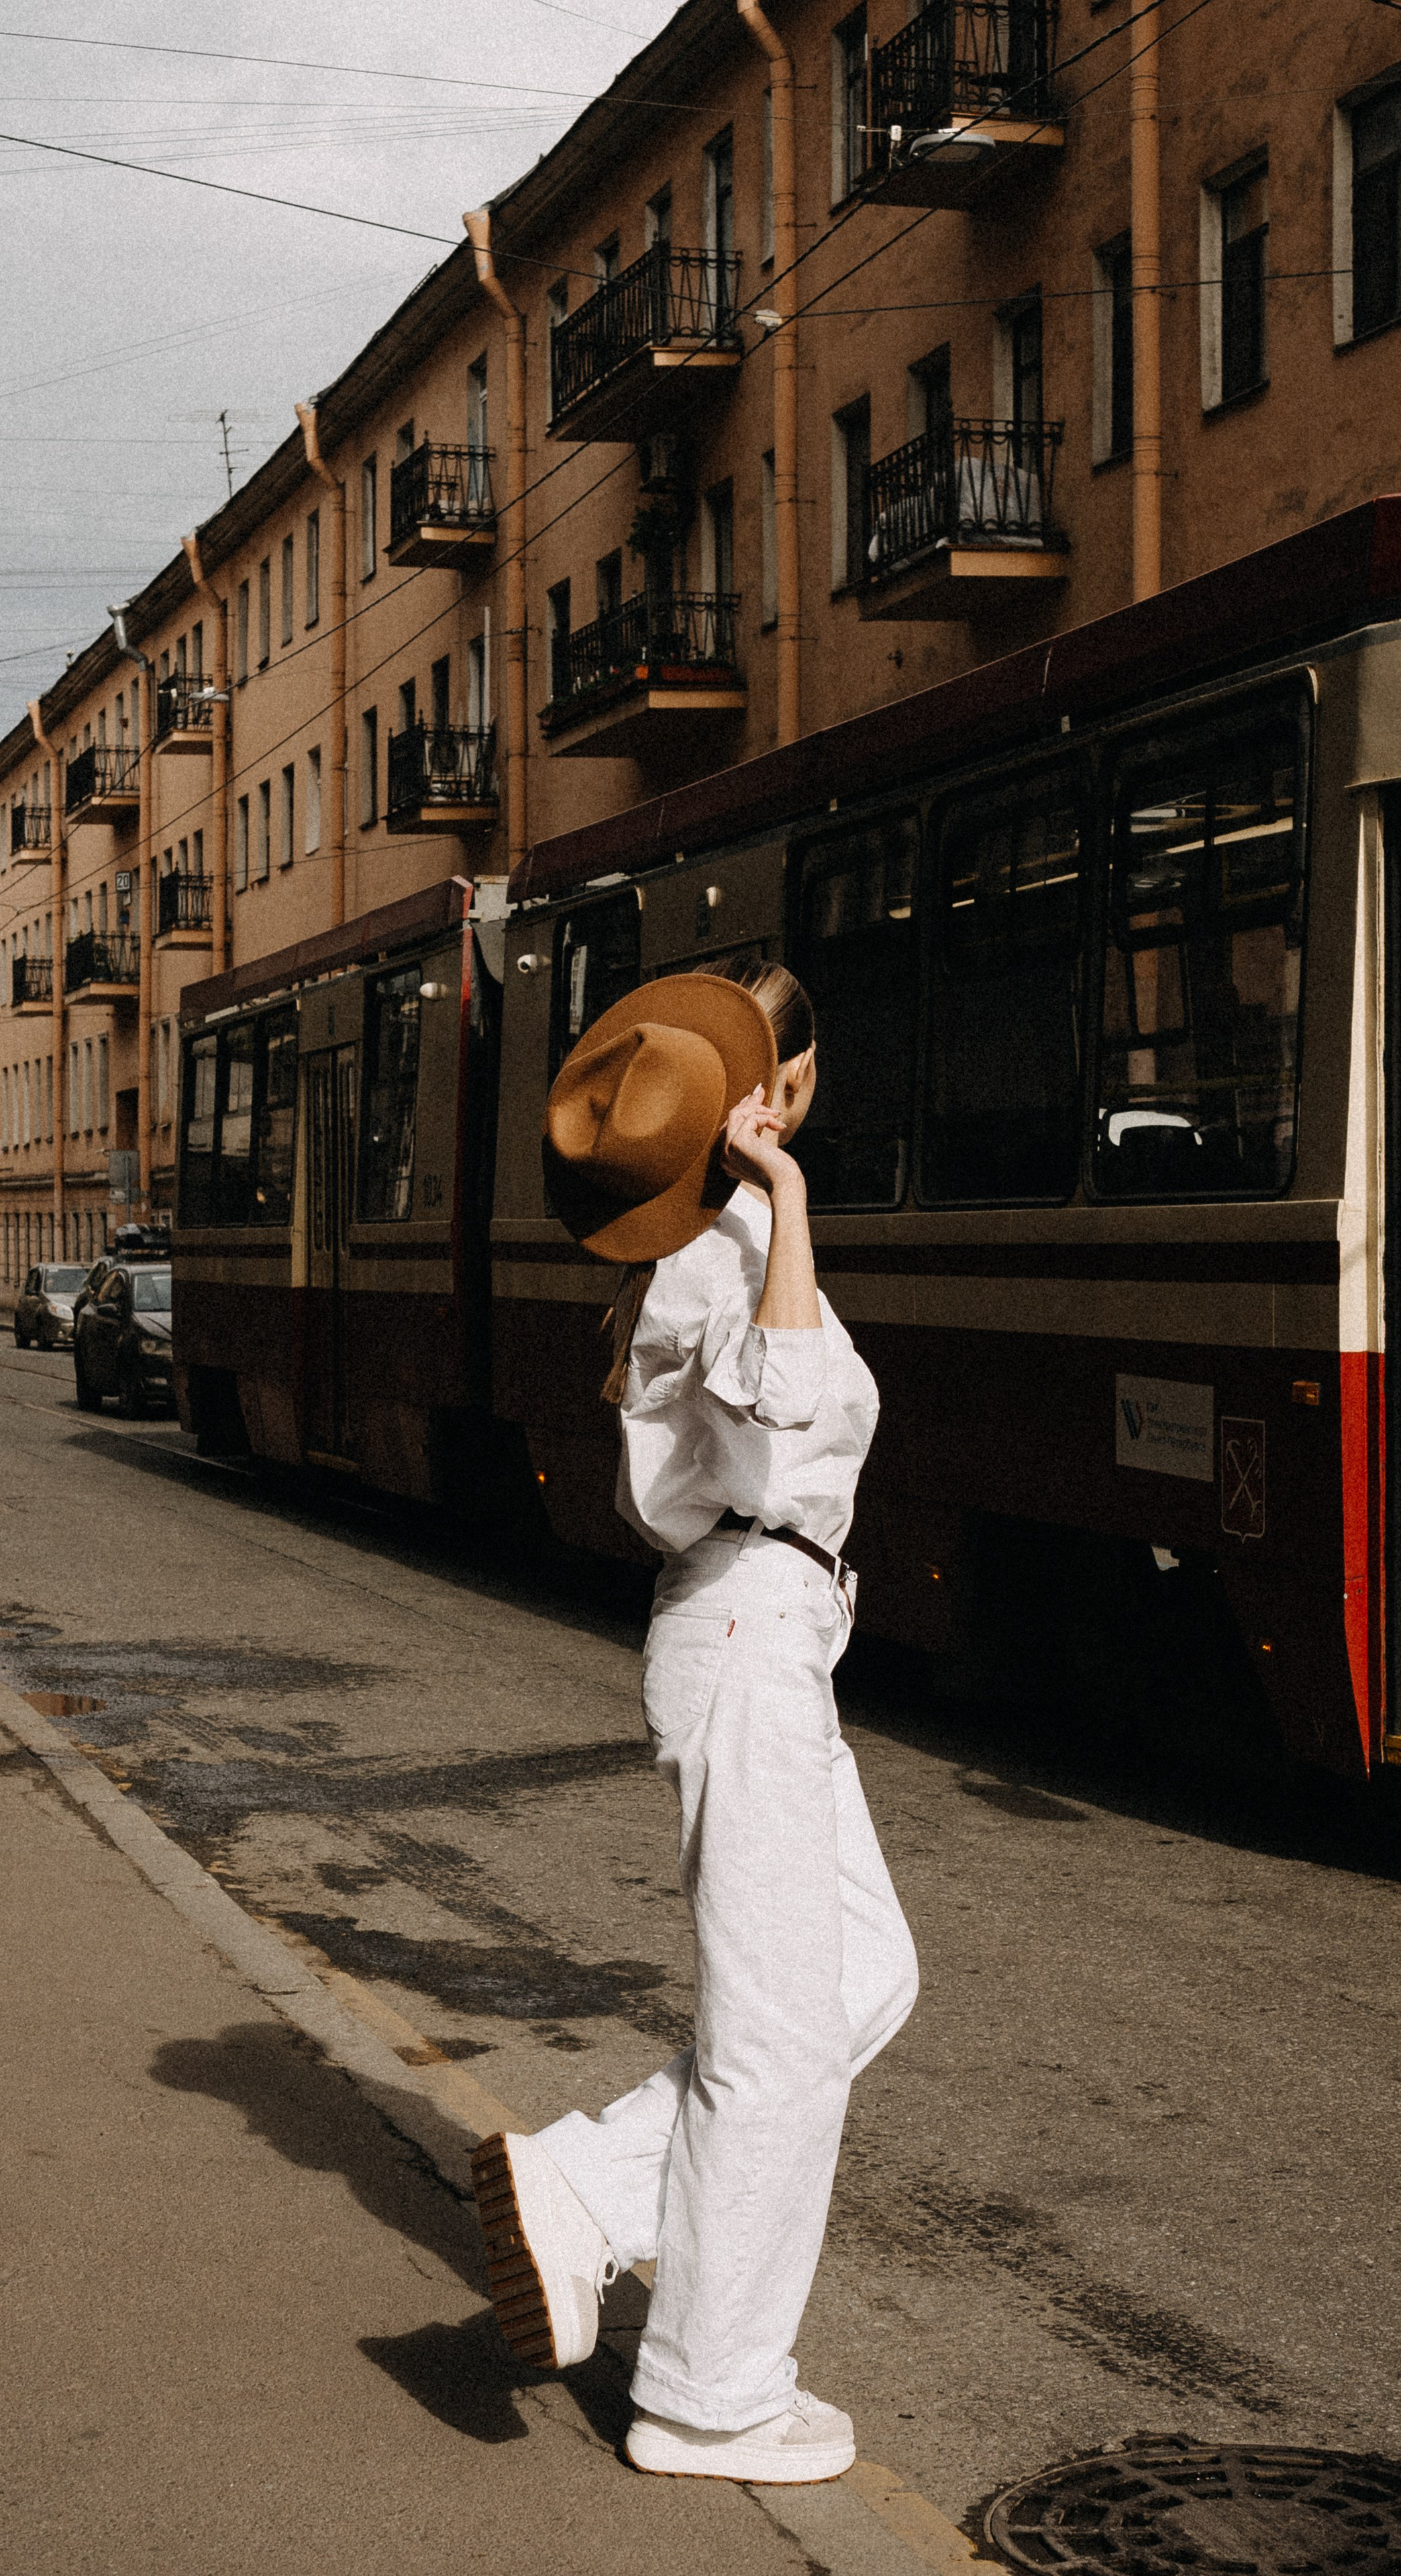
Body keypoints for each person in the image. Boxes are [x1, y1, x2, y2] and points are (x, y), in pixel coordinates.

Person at [474, 958, 918, 2485]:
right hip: (746, 1627)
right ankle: (710, 2391)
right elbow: (790, 1404)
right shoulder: (725, 1250)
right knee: (777, 2038)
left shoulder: (699, 1251)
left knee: (862, 1975)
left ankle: (589, 2190)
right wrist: (783, 1187)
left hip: (763, 1632)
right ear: (774, 1089)